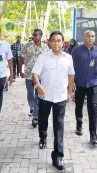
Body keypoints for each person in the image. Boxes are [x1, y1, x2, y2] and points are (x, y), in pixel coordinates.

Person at [32, 31, 75, 170]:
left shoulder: (68, 58)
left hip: (61, 98)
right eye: (54, 40)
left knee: (59, 127)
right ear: (49, 42)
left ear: (63, 43)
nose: (56, 43)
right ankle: (43, 137)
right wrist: (38, 85)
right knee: (43, 121)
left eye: (59, 40)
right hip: (45, 97)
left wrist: (69, 93)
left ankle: (58, 156)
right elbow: (35, 74)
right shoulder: (43, 57)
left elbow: (71, 76)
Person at [72, 30, 97, 145]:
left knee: (93, 108)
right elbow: (71, 67)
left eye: (93, 36)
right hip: (79, 82)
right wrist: (72, 82)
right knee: (79, 105)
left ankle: (93, 135)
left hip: (93, 83)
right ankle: (79, 123)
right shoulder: (77, 51)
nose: (90, 38)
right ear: (84, 37)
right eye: (88, 36)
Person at [20, 29, 49, 127]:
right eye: (33, 34)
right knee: (30, 93)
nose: (33, 36)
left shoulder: (46, 48)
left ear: (40, 36)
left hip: (40, 76)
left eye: (35, 35)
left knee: (38, 96)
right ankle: (32, 106)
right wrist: (20, 70)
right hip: (28, 74)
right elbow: (21, 58)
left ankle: (35, 117)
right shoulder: (27, 46)